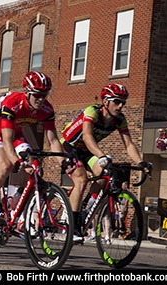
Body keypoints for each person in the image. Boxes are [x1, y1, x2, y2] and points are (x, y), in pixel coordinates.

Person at [0, 71, 72, 235]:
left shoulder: (47, 110)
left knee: (34, 167)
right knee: (6, 166)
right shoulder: (12, 103)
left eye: (45, 94)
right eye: (37, 95)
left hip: (15, 134)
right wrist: (15, 161)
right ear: (27, 92)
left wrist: (64, 162)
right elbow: (6, 140)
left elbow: (53, 141)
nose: (41, 99)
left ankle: (19, 211)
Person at [61, 83, 152, 241]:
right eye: (117, 101)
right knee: (81, 179)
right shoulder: (92, 112)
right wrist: (102, 155)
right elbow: (87, 136)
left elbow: (129, 144)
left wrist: (140, 162)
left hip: (87, 151)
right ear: (105, 102)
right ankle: (73, 226)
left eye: (123, 102)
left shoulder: (119, 120)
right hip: (70, 147)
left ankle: (84, 205)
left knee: (105, 174)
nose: (121, 105)